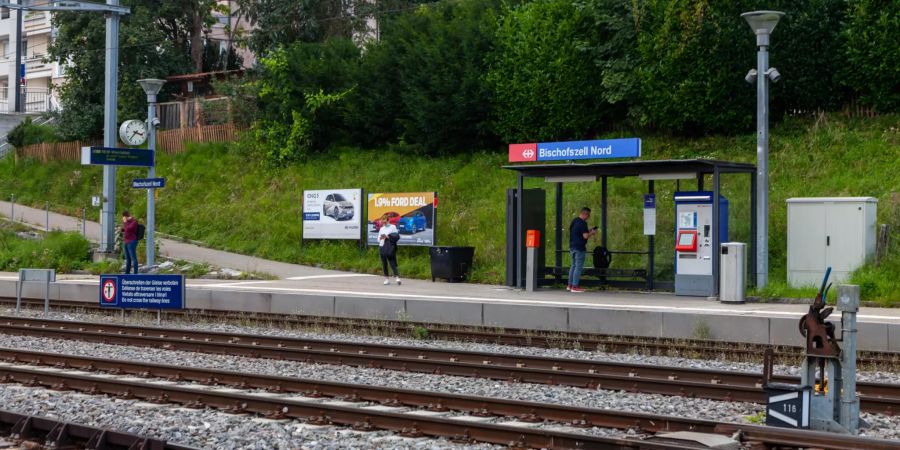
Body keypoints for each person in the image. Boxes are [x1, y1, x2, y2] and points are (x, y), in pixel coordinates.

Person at [568, 207, 598, 293]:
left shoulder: (574, 221)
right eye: (588, 215)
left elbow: (579, 233)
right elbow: (585, 236)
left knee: (573, 266)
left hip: (572, 246)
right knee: (578, 267)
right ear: (585, 214)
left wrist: (589, 230)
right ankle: (575, 286)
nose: (588, 217)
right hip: (579, 247)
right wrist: (592, 233)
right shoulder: (583, 223)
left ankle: (570, 285)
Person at [378, 215, 401, 285]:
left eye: (385, 222)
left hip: (390, 247)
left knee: (392, 262)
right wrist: (381, 238)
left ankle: (397, 278)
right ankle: (386, 279)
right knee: (384, 263)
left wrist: (388, 236)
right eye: (383, 222)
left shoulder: (393, 227)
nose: (384, 224)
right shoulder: (381, 228)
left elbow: (396, 236)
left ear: (388, 221)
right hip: (382, 246)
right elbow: (378, 239)